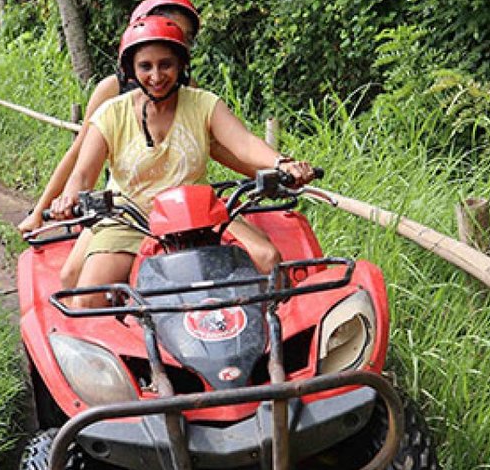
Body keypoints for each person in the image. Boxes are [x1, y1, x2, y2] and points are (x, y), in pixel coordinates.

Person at [48, 16, 315, 308]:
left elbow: (244, 143)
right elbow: (84, 174)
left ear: (181, 66)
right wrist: (68, 198)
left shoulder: (203, 103)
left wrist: (281, 164)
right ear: (130, 71)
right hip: (131, 218)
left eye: (166, 64)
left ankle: (272, 344)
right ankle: (113, 354)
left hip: (199, 214)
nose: (157, 75)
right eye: (145, 66)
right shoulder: (111, 114)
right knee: (86, 300)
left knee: (268, 259)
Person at [19, 0, 203, 289]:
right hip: (122, 206)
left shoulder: (191, 93)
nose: (157, 75)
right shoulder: (111, 91)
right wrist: (42, 210)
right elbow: (79, 157)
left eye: (181, 37)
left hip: (178, 210)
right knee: (71, 278)